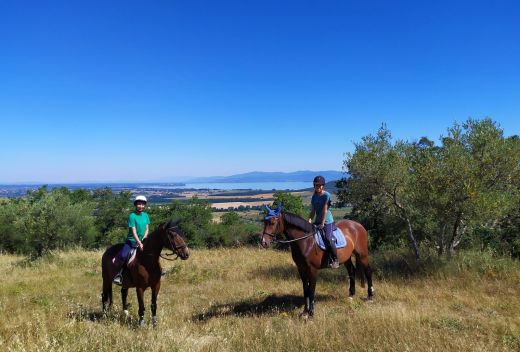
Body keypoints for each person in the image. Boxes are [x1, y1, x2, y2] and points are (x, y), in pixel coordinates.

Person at [113, 195, 150, 285]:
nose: (141, 206)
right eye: (139, 204)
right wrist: (139, 243)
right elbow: (133, 232)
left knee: (152, 253)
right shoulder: (132, 216)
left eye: (142, 204)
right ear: (135, 205)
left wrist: (144, 239)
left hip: (143, 241)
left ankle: (157, 271)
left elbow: (147, 228)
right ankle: (119, 274)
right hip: (131, 241)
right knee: (123, 255)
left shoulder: (145, 215)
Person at [308, 175, 339, 268]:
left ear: (323, 186)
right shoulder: (314, 197)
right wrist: (309, 220)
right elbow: (313, 211)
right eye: (317, 185)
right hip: (317, 221)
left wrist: (322, 223)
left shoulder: (326, 195)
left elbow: (325, 210)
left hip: (327, 221)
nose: (319, 187)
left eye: (321, 185)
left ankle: (335, 260)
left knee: (328, 238)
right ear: (314, 186)